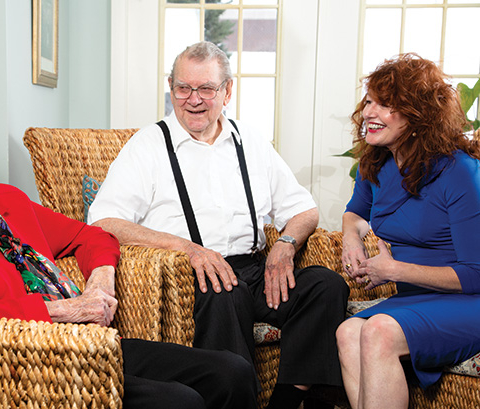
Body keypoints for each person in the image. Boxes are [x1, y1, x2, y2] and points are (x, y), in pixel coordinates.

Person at [0, 75, 257, 409]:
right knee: (179, 400)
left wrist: (100, 281)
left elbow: (93, 235)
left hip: (85, 342)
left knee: (232, 371)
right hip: (14, 362)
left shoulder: (4, 199)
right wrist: (63, 310)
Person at [88, 41, 349, 409]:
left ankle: (289, 399)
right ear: (171, 87)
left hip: (256, 268)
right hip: (194, 272)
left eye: (206, 88)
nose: (193, 99)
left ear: (228, 90)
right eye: (183, 88)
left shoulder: (250, 141)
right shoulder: (147, 146)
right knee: (224, 290)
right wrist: (188, 249)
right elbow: (104, 221)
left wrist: (285, 242)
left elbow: (304, 209)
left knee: (326, 285)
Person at [337, 53, 480, 409]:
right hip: (416, 297)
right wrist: (351, 238)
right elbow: (355, 213)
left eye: (385, 105)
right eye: (369, 100)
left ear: (418, 114)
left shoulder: (460, 172)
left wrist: (393, 270)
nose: (370, 112)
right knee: (347, 331)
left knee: (377, 331)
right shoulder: (377, 162)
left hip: (468, 302)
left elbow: (476, 275)